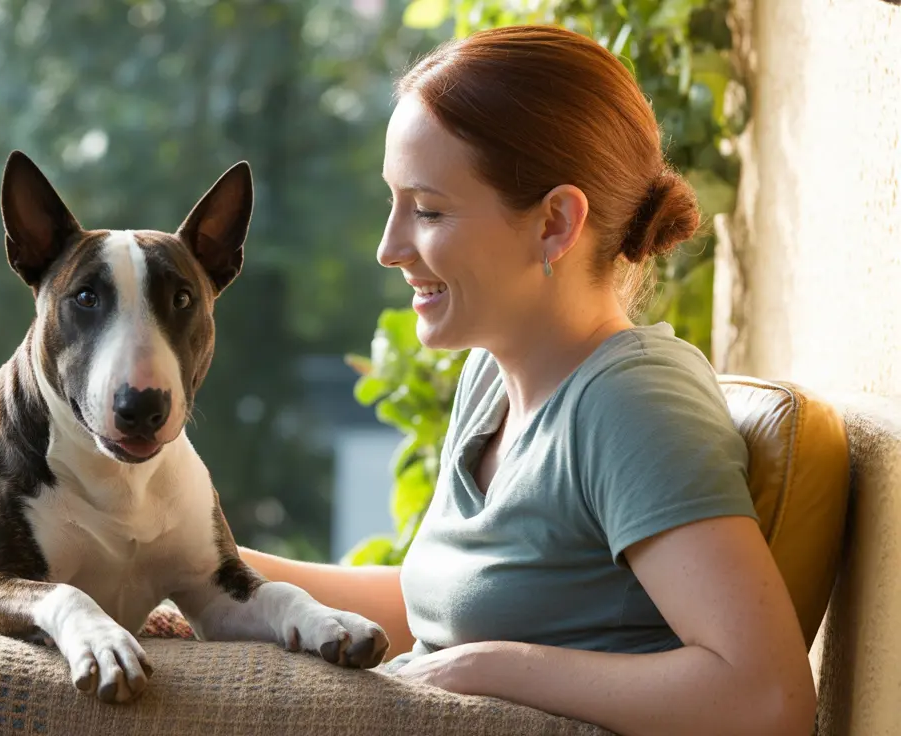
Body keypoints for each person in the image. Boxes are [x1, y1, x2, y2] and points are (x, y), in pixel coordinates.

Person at [237, 24, 815, 736]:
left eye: (427, 210)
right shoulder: (491, 376)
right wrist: (208, 568)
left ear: (554, 223)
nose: (389, 249)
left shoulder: (631, 403)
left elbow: (766, 698)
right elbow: (432, 607)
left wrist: (486, 668)